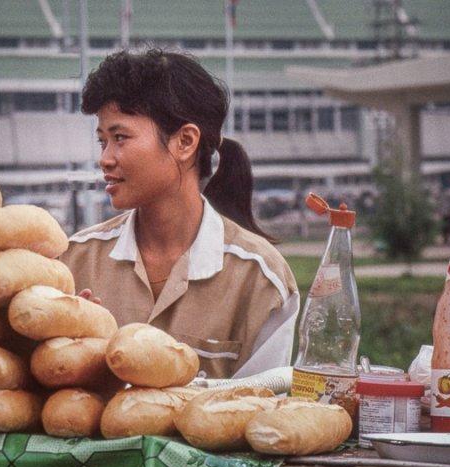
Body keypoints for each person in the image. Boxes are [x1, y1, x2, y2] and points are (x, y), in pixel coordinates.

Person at [59, 49, 299, 381]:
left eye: (120, 138)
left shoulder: (260, 279)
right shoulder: (73, 263)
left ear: (184, 142)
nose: (106, 159)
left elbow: (263, 408)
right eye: (103, 142)